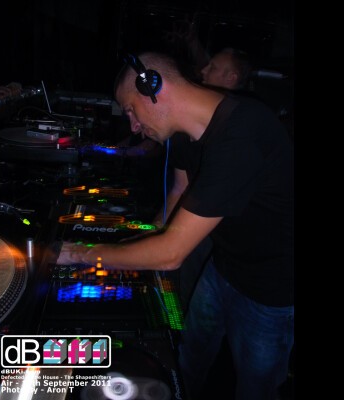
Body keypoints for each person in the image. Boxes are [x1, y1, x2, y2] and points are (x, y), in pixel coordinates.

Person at [57, 51, 294, 400]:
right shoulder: (184, 131)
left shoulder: (244, 132)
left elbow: (171, 254)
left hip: (270, 288)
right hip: (223, 267)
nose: (133, 126)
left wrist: (80, 254)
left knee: (255, 388)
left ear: (154, 87)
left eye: (131, 110)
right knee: (188, 357)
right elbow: (179, 192)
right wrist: (143, 238)